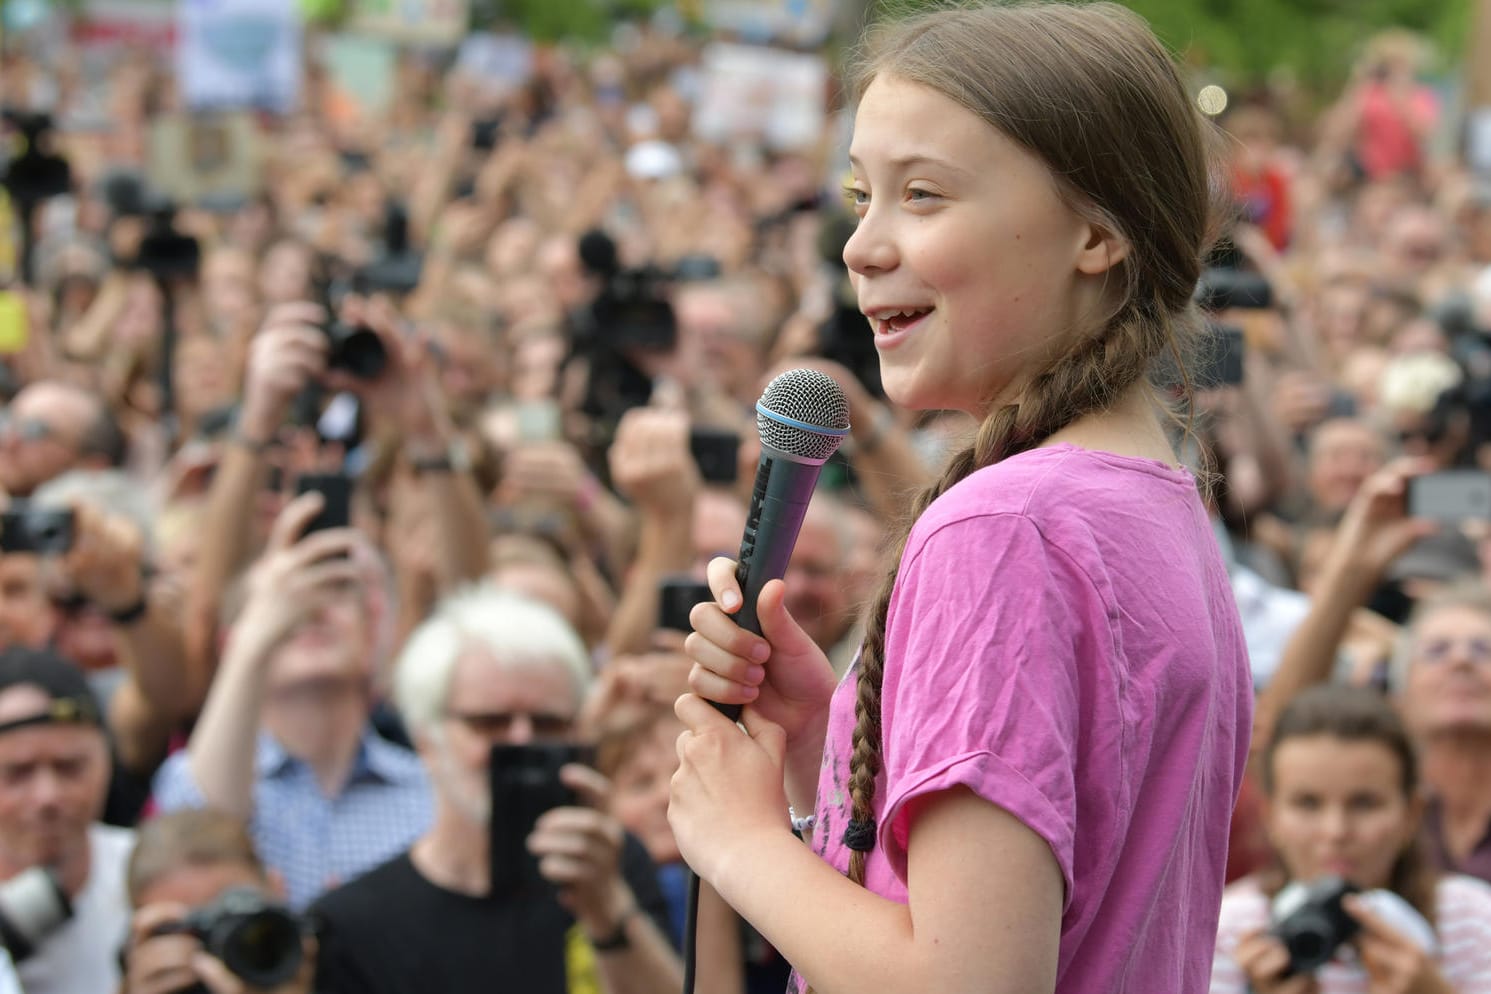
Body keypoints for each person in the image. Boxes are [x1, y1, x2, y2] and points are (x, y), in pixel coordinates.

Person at [667, 4, 1251, 992]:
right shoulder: (1156, 501)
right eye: (860, 198)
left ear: (1096, 233)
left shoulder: (1004, 527)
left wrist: (738, 840)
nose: (860, 247)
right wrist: (839, 747)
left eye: (923, 196)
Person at [311, 585, 684, 994]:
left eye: (548, 724)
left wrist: (606, 907)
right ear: (426, 738)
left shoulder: (613, 866)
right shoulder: (353, 923)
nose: (521, 742)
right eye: (491, 723)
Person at [151, 495, 432, 910]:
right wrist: (257, 638)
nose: (310, 609)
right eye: (285, 600)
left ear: (373, 629)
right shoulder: (193, 774)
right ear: (236, 641)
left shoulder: (427, 792)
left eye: (336, 590)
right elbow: (200, 834)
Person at [1211, 685, 1491, 992]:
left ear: (1412, 814)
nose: (1336, 831)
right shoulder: (1229, 931)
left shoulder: (1473, 920)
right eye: (1308, 803)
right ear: (1270, 815)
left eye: (1364, 803)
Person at [0, 645, 133, 994]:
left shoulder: (146, 872)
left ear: (107, 764)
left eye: (70, 768)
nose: (48, 797)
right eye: (18, 773)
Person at [120, 809, 316, 994]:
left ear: (276, 889)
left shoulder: (336, 965)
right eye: (190, 930)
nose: (220, 952)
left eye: (234, 915)